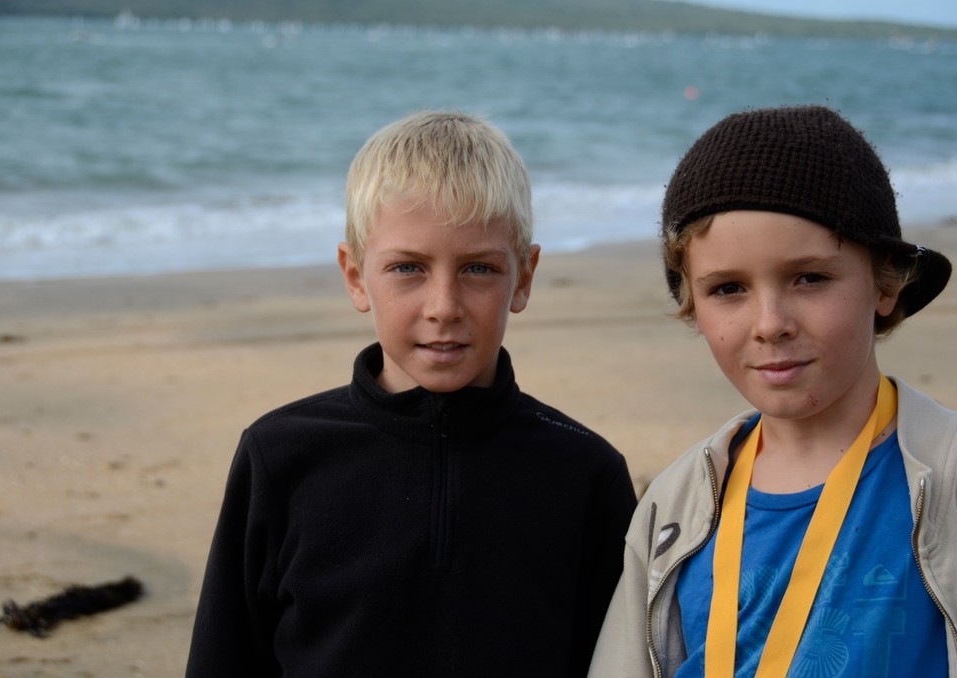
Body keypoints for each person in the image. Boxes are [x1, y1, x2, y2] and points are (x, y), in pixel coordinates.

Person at [186, 110, 638, 677]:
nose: (443, 306)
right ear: (355, 277)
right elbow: (223, 657)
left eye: (478, 268)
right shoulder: (280, 457)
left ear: (523, 276)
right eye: (408, 268)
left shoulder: (585, 471)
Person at [589, 105, 957, 677]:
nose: (770, 322)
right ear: (693, 306)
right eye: (728, 288)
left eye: (809, 277)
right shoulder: (672, 506)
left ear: (884, 283)